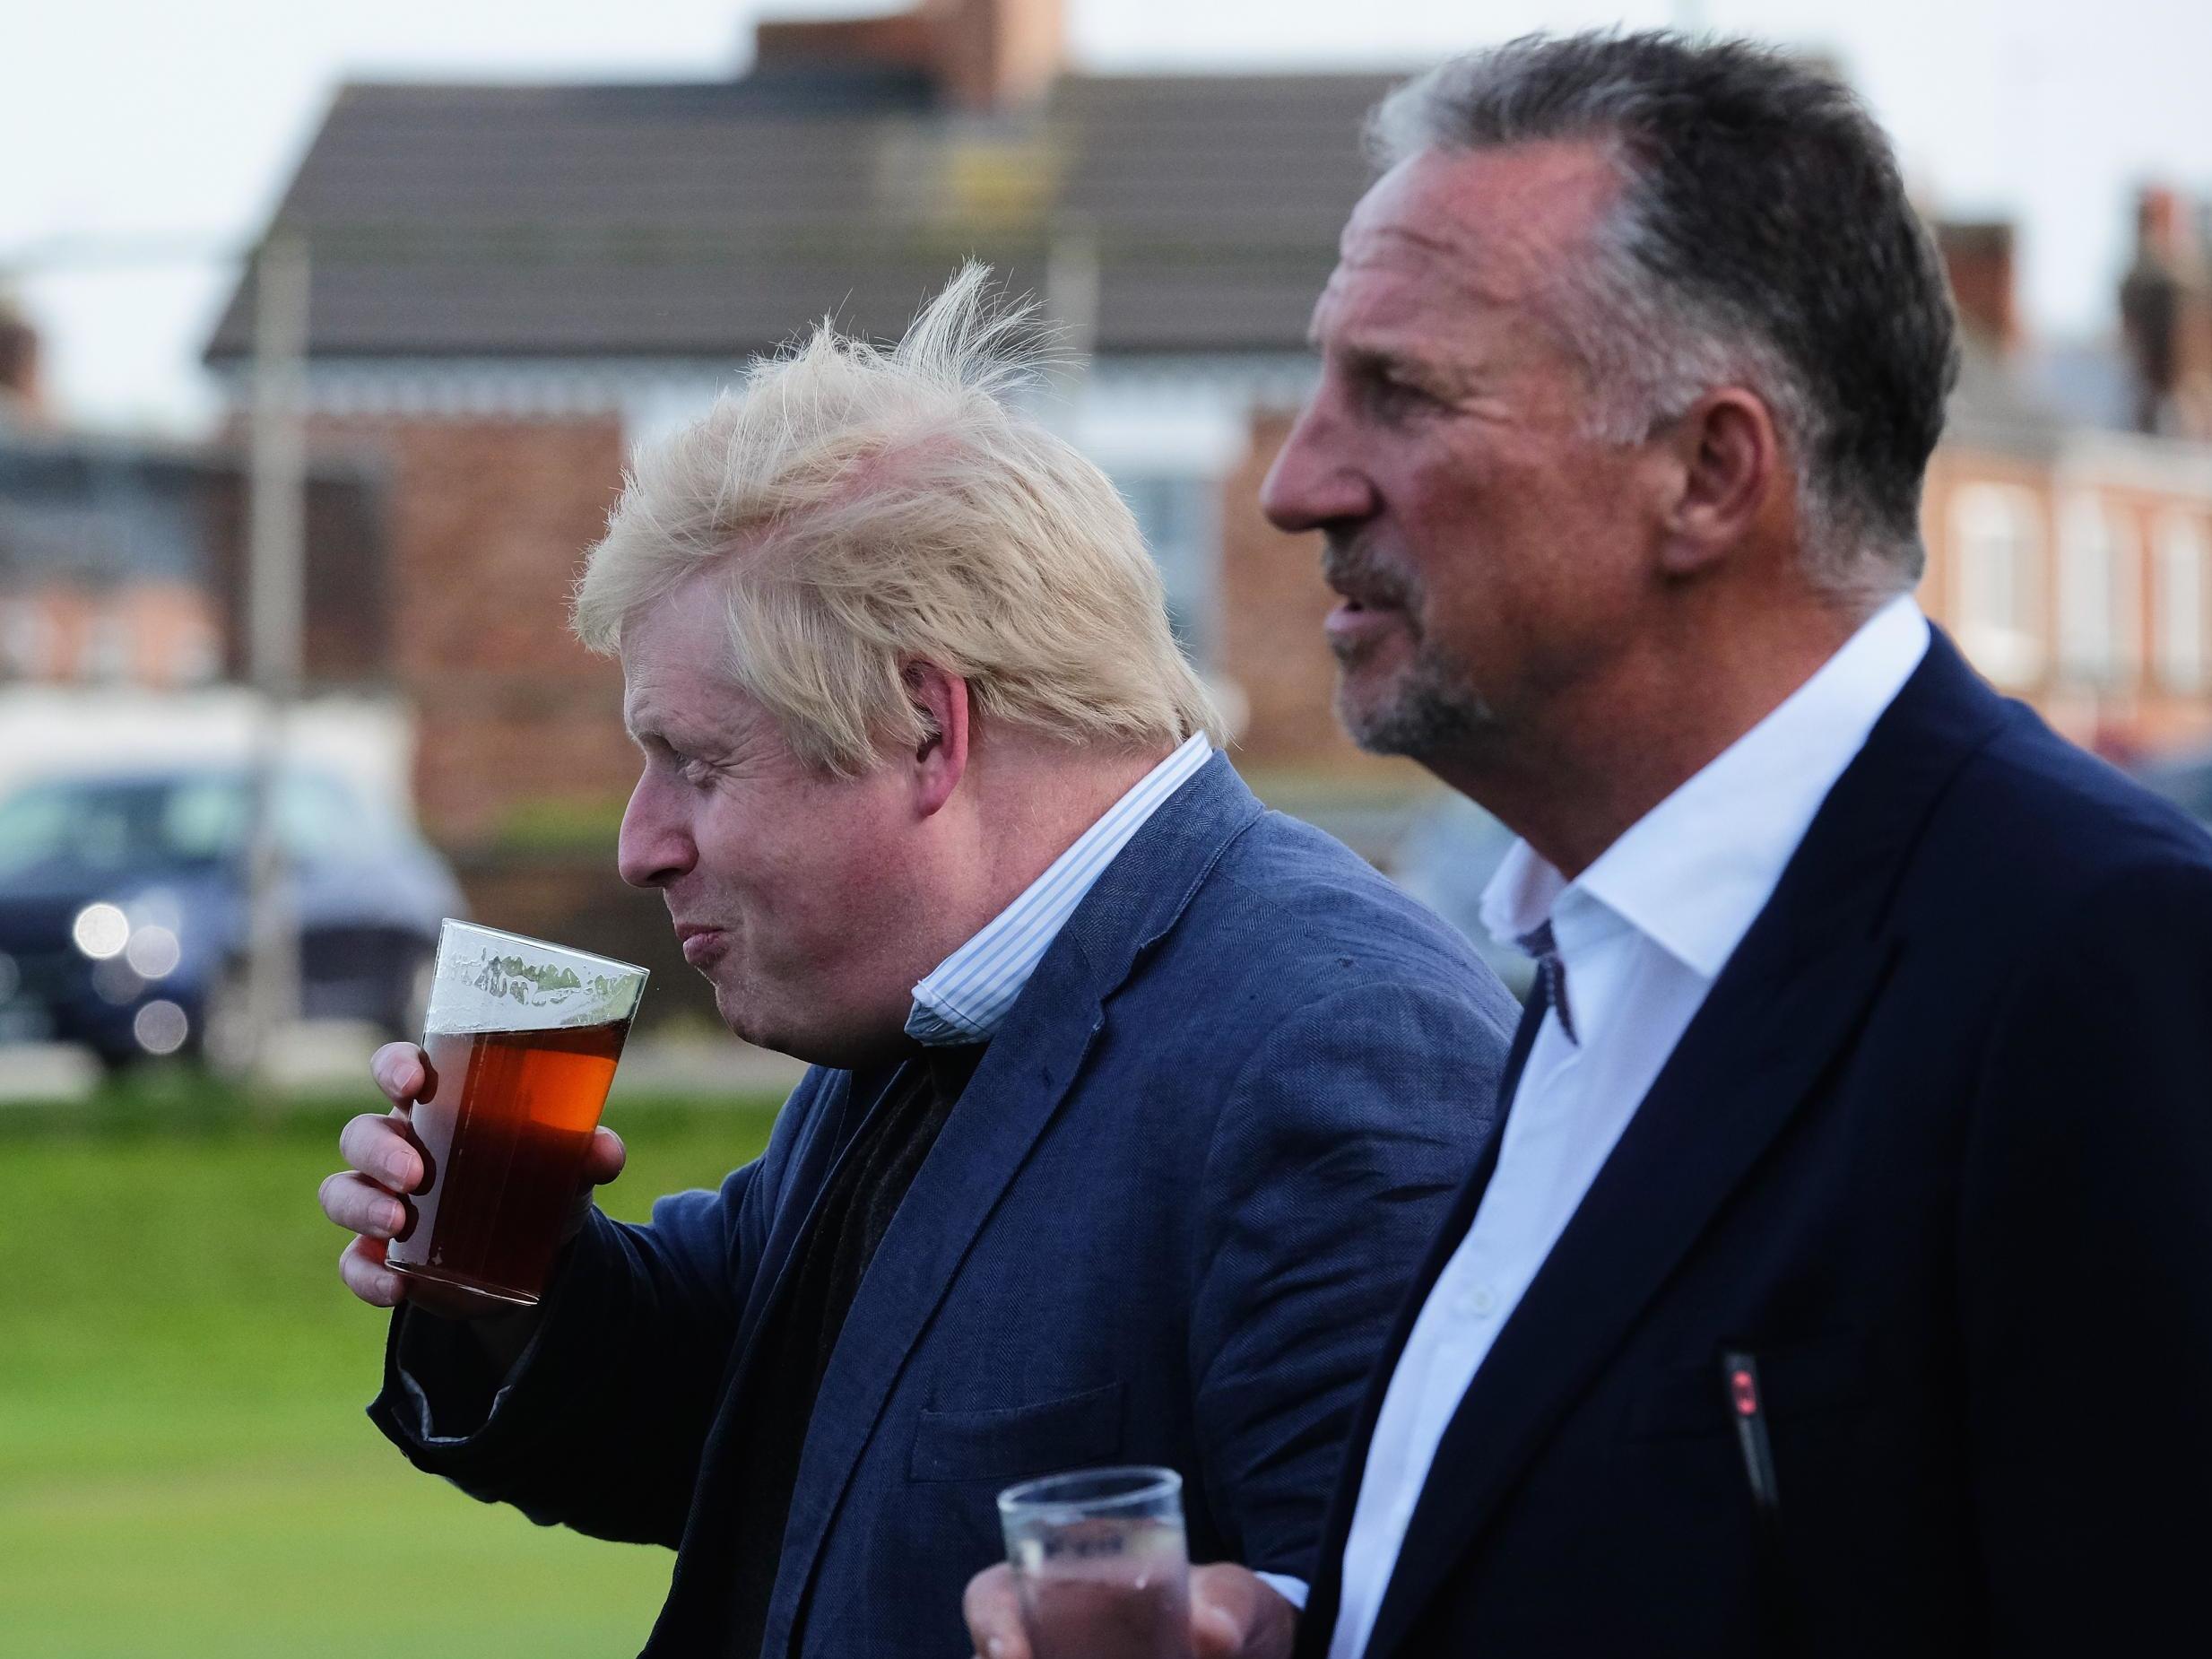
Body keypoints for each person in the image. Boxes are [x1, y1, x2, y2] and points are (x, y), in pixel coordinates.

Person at [971, 29, 2212, 1659]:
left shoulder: (2098, 962)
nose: (1295, 483)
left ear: (1709, 473)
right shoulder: (1597, 956)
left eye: (1401, 392)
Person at [317, 266, 1519, 1659]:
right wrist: (503, 1274)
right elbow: (746, 1428)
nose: (642, 844)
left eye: (697, 762)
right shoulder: (938, 999)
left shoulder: (1340, 1048)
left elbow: (1419, 1607)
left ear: (927, 729)